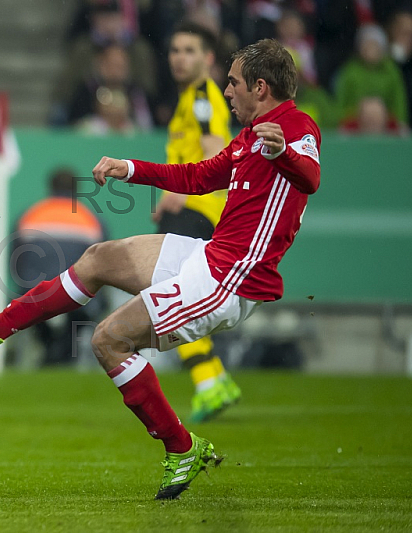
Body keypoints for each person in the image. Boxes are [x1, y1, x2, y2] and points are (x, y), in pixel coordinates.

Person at [0, 39, 320, 500]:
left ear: (261, 87)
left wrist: (284, 153)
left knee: (107, 340)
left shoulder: (296, 128)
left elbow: (310, 178)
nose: (226, 90)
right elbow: (198, 177)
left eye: (234, 83)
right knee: (99, 257)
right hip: (210, 255)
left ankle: (181, 449)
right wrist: (130, 167)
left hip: (230, 280)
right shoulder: (247, 138)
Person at [150, 22, 240, 423]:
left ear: (207, 58)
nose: (178, 57)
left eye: (188, 50)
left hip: (197, 210)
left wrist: (182, 195)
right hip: (189, 208)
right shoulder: (192, 97)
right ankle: (217, 377)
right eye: (174, 49)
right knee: (174, 293)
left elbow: (216, 151)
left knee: (168, 295)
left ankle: (208, 382)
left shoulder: (203, 97)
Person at [11, 169, 108, 365]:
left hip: (35, 294)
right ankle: (62, 353)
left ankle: (51, 349)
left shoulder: (29, 216)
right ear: (76, 190)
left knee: (37, 315)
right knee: (81, 315)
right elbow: (104, 265)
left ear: (51, 188)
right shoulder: (91, 220)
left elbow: (15, 262)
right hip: (76, 297)